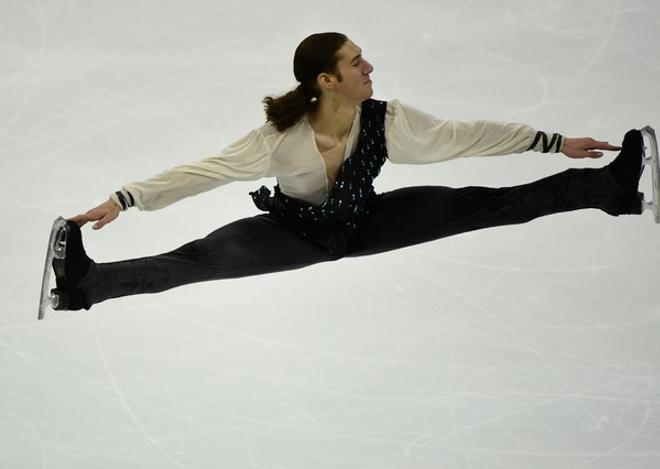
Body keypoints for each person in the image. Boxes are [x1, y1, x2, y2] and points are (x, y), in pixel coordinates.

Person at [51, 32, 645, 311]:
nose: (370, 67)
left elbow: (464, 137)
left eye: (364, 58)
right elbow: (206, 170)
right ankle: (83, 285)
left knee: (480, 203)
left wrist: (552, 142)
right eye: (356, 62)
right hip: (290, 234)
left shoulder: (386, 120)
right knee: (197, 261)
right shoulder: (280, 137)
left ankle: (611, 188)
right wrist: (124, 199)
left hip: (369, 222)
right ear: (326, 80)